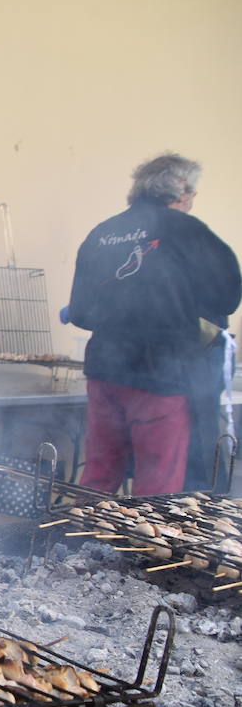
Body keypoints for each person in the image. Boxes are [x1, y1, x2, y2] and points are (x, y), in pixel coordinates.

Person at [66, 153, 239, 496]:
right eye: (193, 192)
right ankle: (146, 549)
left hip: (104, 372)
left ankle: (81, 539)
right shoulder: (187, 230)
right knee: (158, 479)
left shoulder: (103, 232)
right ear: (182, 190)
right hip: (160, 375)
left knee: (100, 471)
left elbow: (81, 312)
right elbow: (228, 297)